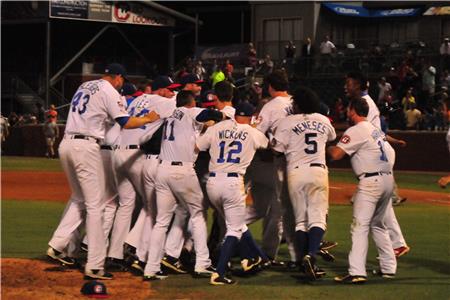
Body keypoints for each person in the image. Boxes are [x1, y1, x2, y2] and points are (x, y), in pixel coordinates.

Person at [46, 63, 160, 280]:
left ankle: (58, 244)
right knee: (97, 204)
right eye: (122, 80)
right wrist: (148, 118)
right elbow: (126, 123)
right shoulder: (109, 90)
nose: (121, 84)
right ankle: (95, 265)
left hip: (67, 144)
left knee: (80, 198)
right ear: (117, 77)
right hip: (86, 146)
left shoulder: (86, 85)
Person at [144, 90, 227, 280]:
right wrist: (222, 114)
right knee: (197, 214)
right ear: (191, 102)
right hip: (182, 171)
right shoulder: (190, 111)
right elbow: (207, 114)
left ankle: (151, 268)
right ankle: (202, 264)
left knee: (161, 221)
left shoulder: (170, 114)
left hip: (162, 170)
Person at [197, 100, 269, 285]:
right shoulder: (253, 132)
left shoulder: (217, 127)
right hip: (232, 183)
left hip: (212, 183)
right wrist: (252, 128)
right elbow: (267, 145)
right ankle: (219, 272)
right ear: (250, 117)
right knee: (234, 228)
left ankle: (259, 257)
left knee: (235, 223)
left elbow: (199, 146)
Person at [328, 98, 397, 284]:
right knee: (378, 224)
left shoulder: (356, 130)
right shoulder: (375, 129)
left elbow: (336, 155)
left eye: (348, 109)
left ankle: (357, 271)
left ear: (352, 111)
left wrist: (328, 146)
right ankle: (388, 267)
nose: (346, 112)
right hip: (387, 178)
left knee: (360, 226)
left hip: (371, 181)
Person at [272, 86, 336, 280]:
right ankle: (311, 255)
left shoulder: (287, 122)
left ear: (297, 105)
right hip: (318, 170)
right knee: (317, 218)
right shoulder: (323, 120)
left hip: (296, 173)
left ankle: (302, 261)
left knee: (300, 221)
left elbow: (276, 150)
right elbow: (332, 138)